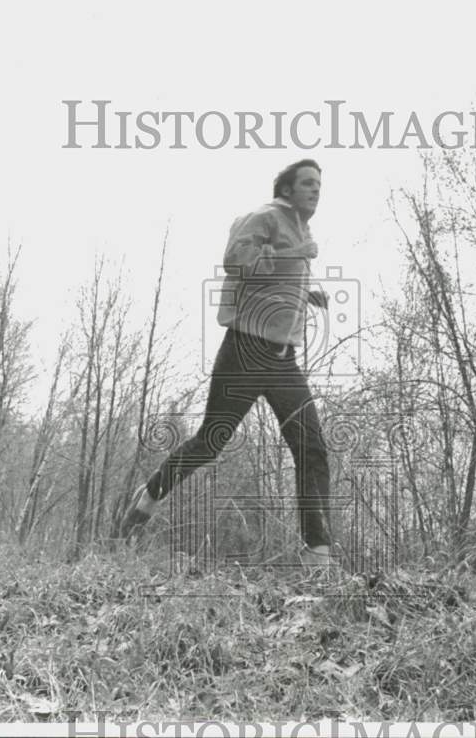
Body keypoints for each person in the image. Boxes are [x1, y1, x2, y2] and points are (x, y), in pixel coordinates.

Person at [119, 159, 336, 567]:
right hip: (245, 351)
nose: (316, 190)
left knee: (312, 449)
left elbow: (273, 278)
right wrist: (295, 254)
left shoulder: (300, 230)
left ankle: (317, 556)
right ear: (286, 189)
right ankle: (148, 497)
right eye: (308, 183)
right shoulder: (264, 217)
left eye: (319, 185)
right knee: (211, 441)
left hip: (283, 360)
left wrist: (309, 290)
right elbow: (236, 260)